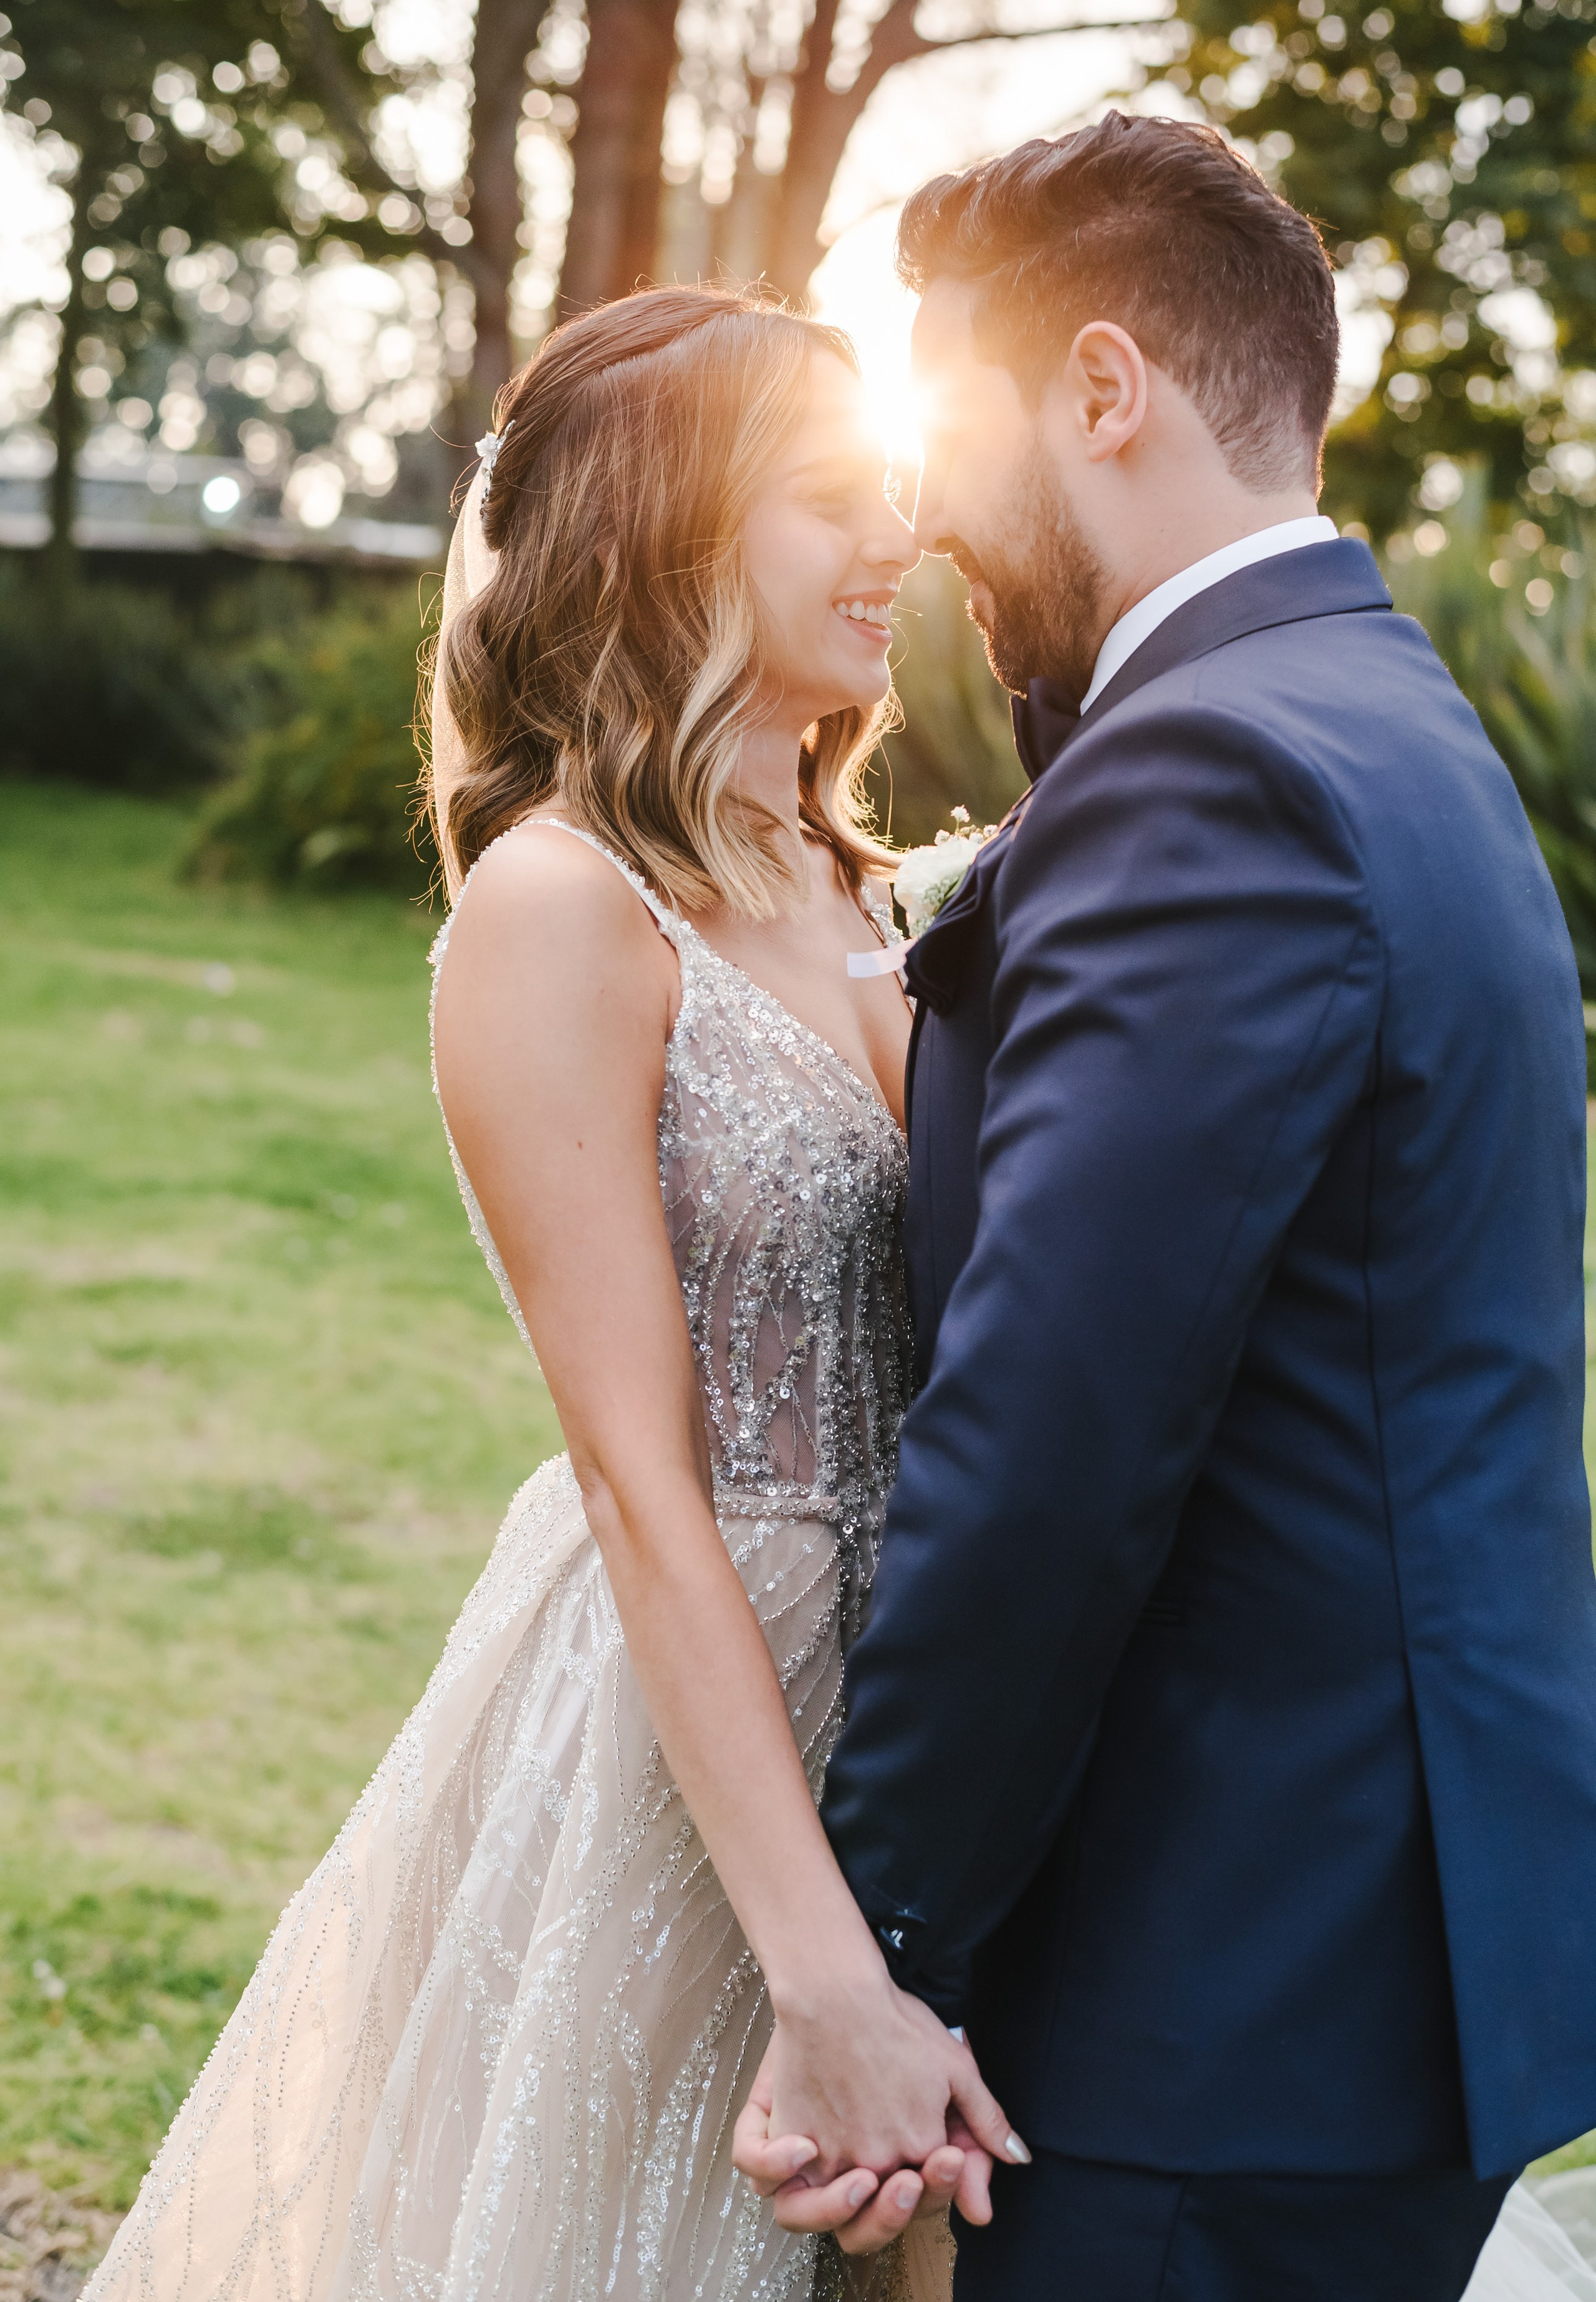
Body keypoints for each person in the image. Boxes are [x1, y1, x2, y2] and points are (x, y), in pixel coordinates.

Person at [734, 113, 1596, 2301]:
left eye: (955, 420)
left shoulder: (1212, 770)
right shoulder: (1396, 718)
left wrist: (878, 1948)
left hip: (1215, 1981)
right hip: (1381, 1943)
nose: (925, 513)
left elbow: (1057, 1432)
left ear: (1105, 392)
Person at [79, 288, 1014, 2302]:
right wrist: (821, 1967)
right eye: (831, 500)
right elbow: (633, 1476)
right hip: (693, 1724)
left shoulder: (864, 892)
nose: (900, 542)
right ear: (670, 532)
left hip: (926, 1670)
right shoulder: (561, 903)